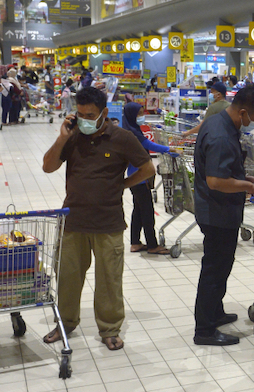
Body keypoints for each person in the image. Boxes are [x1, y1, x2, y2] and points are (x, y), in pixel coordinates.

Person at [42, 86, 154, 351]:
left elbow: (148, 168)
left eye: (90, 115)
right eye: (80, 114)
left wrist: (122, 185)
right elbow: (48, 166)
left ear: (104, 112)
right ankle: (65, 322)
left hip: (108, 222)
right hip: (73, 219)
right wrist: (61, 138)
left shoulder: (123, 138)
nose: (85, 120)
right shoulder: (73, 135)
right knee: (68, 277)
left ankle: (110, 328)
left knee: (109, 280)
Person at [193, 86, 254, 346]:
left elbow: (222, 171)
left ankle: (214, 313)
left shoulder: (217, 121)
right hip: (217, 211)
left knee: (222, 265)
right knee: (215, 269)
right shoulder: (221, 135)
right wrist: (247, 187)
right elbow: (215, 180)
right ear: (244, 111)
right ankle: (204, 330)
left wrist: (241, 177)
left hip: (217, 209)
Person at [121, 103, 173, 255]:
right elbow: (148, 145)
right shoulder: (132, 134)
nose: (141, 116)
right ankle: (152, 245)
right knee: (147, 212)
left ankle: (135, 242)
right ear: (132, 115)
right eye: (139, 113)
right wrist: (169, 149)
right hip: (139, 177)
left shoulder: (130, 129)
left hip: (135, 177)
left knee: (138, 210)